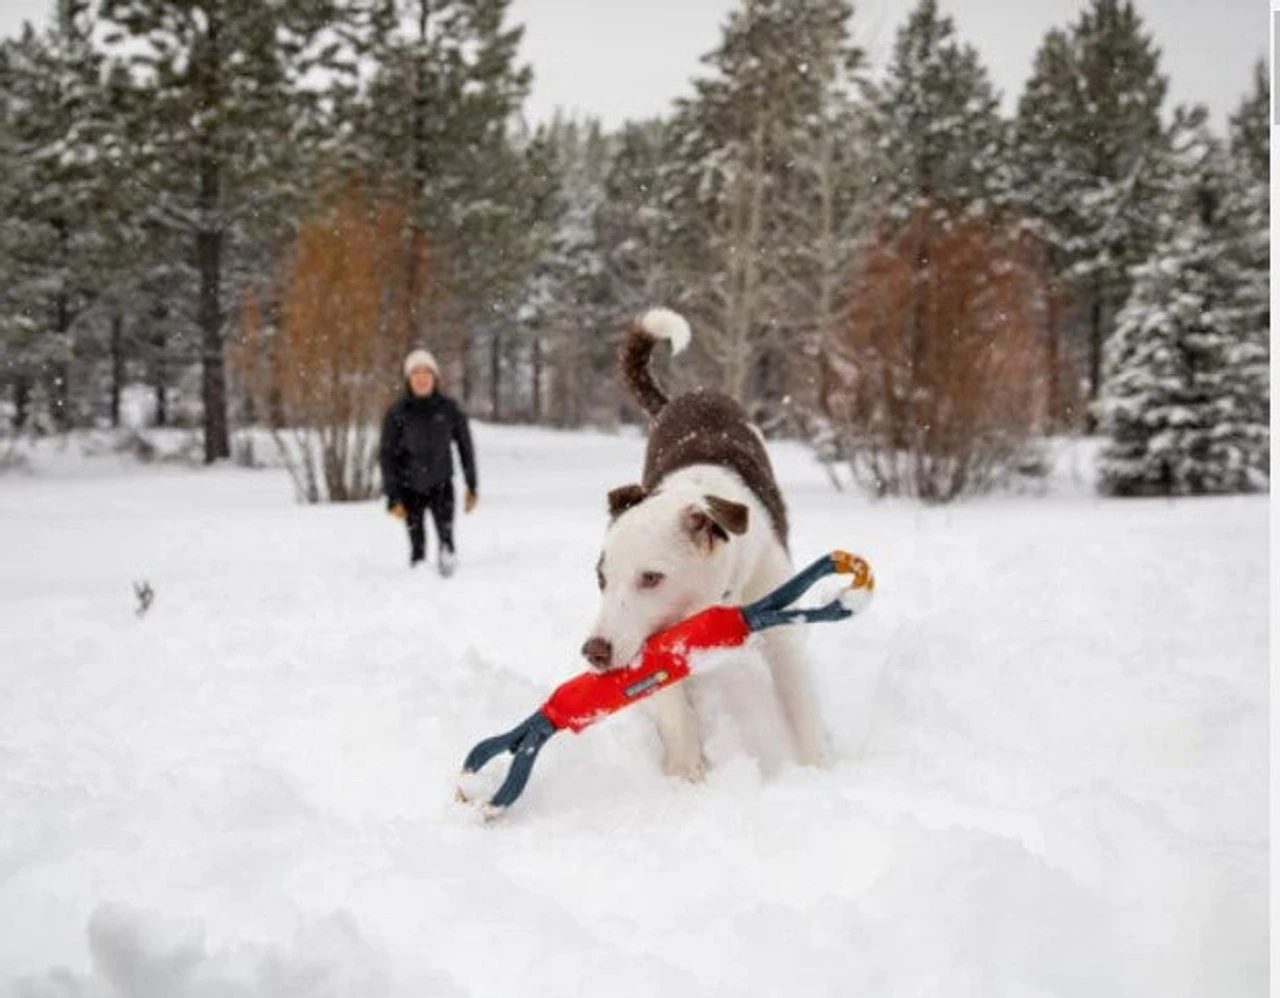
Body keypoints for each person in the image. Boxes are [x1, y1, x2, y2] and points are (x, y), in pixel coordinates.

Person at [379, 348, 478, 574]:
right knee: (417, 549)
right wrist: (392, 495)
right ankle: (418, 585)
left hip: (441, 484)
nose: (422, 378)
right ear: (408, 379)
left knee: (446, 539)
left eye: (427, 373)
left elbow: (465, 447)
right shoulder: (397, 413)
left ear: (435, 377)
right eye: (416, 373)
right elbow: (387, 455)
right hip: (409, 487)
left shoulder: (449, 409)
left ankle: (450, 573)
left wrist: (472, 485)